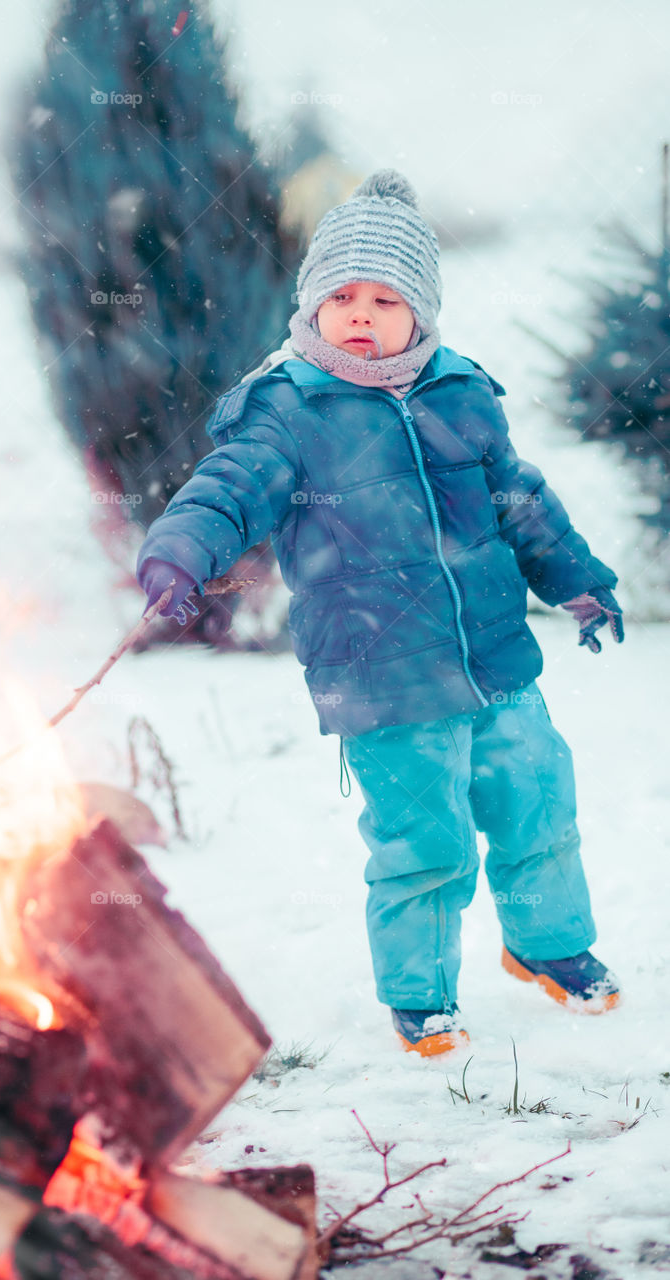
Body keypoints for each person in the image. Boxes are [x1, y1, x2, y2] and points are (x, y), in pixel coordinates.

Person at [135, 169, 625, 1057]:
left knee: (537, 805)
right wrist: (180, 550)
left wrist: (575, 578)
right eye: (342, 296)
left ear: (421, 312)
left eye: (386, 298)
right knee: (422, 839)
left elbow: (519, 501)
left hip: (496, 662)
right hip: (383, 677)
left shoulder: (459, 392)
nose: (361, 313)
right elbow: (227, 490)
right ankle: (419, 992)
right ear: (312, 307)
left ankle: (548, 945)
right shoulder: (286, 410)